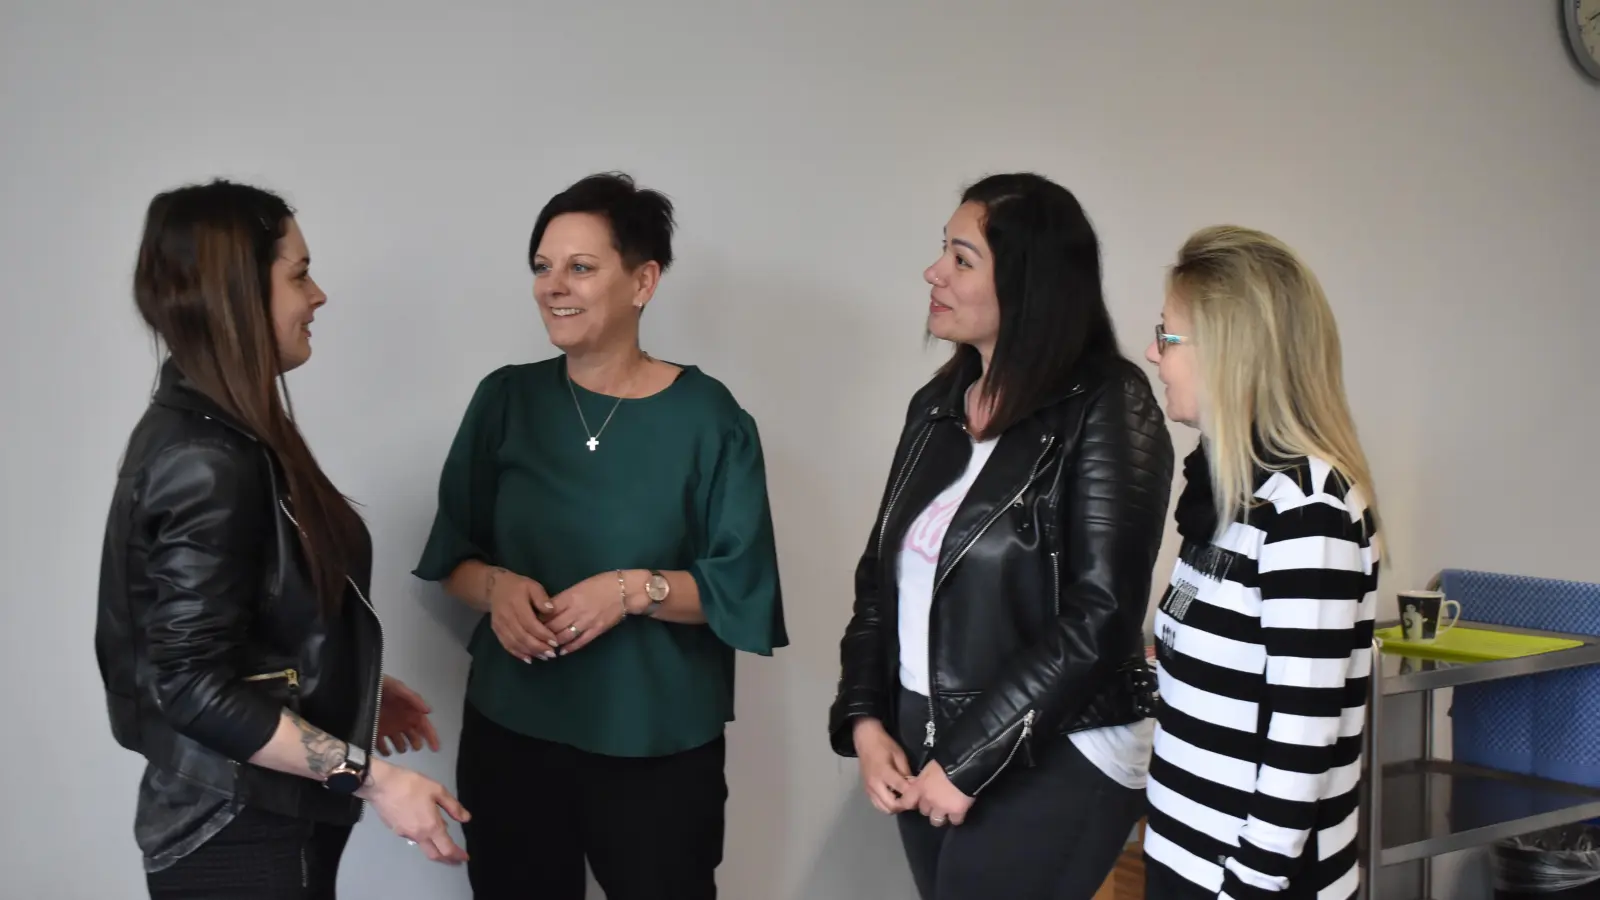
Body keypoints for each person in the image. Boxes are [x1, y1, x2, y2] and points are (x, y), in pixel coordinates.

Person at [413, 171, 787, 900]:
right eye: (542, 267)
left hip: (656, 742)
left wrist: (630, 590)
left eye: (581, 267)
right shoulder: (505, 400)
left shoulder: (710, 419)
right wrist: (497, 588)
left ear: (643, 281)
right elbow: (452, 555)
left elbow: (739, 586)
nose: (555, 286)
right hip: (512, 733)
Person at [94, 179, 471, 899]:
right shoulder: (204, 459)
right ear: (237, 291)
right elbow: (191, 686)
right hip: (239, 833)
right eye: (299, 274)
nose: (319, 295)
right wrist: (372, 777)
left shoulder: (221, 432)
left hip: (251, 823)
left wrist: (347, 683)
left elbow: (237, 630)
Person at [827, 172, 1175, 900]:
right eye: (941, 253)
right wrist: (864, 720)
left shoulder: (1110, 402)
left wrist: (970, 758)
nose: (934, 273)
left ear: (1028, 283)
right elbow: (877, 583)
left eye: (961, 258)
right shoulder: (937, 406)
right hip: (925, 734)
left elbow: (1100, 616)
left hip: (1061, 743)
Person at [1140, 226, 1381, 900]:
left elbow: (1299, 751)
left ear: (1227, 351)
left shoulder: (1309, 512)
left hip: (1250, 884)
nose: (1152, 355)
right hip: (1183, 855)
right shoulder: (1229, 490)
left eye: (1167, 335)